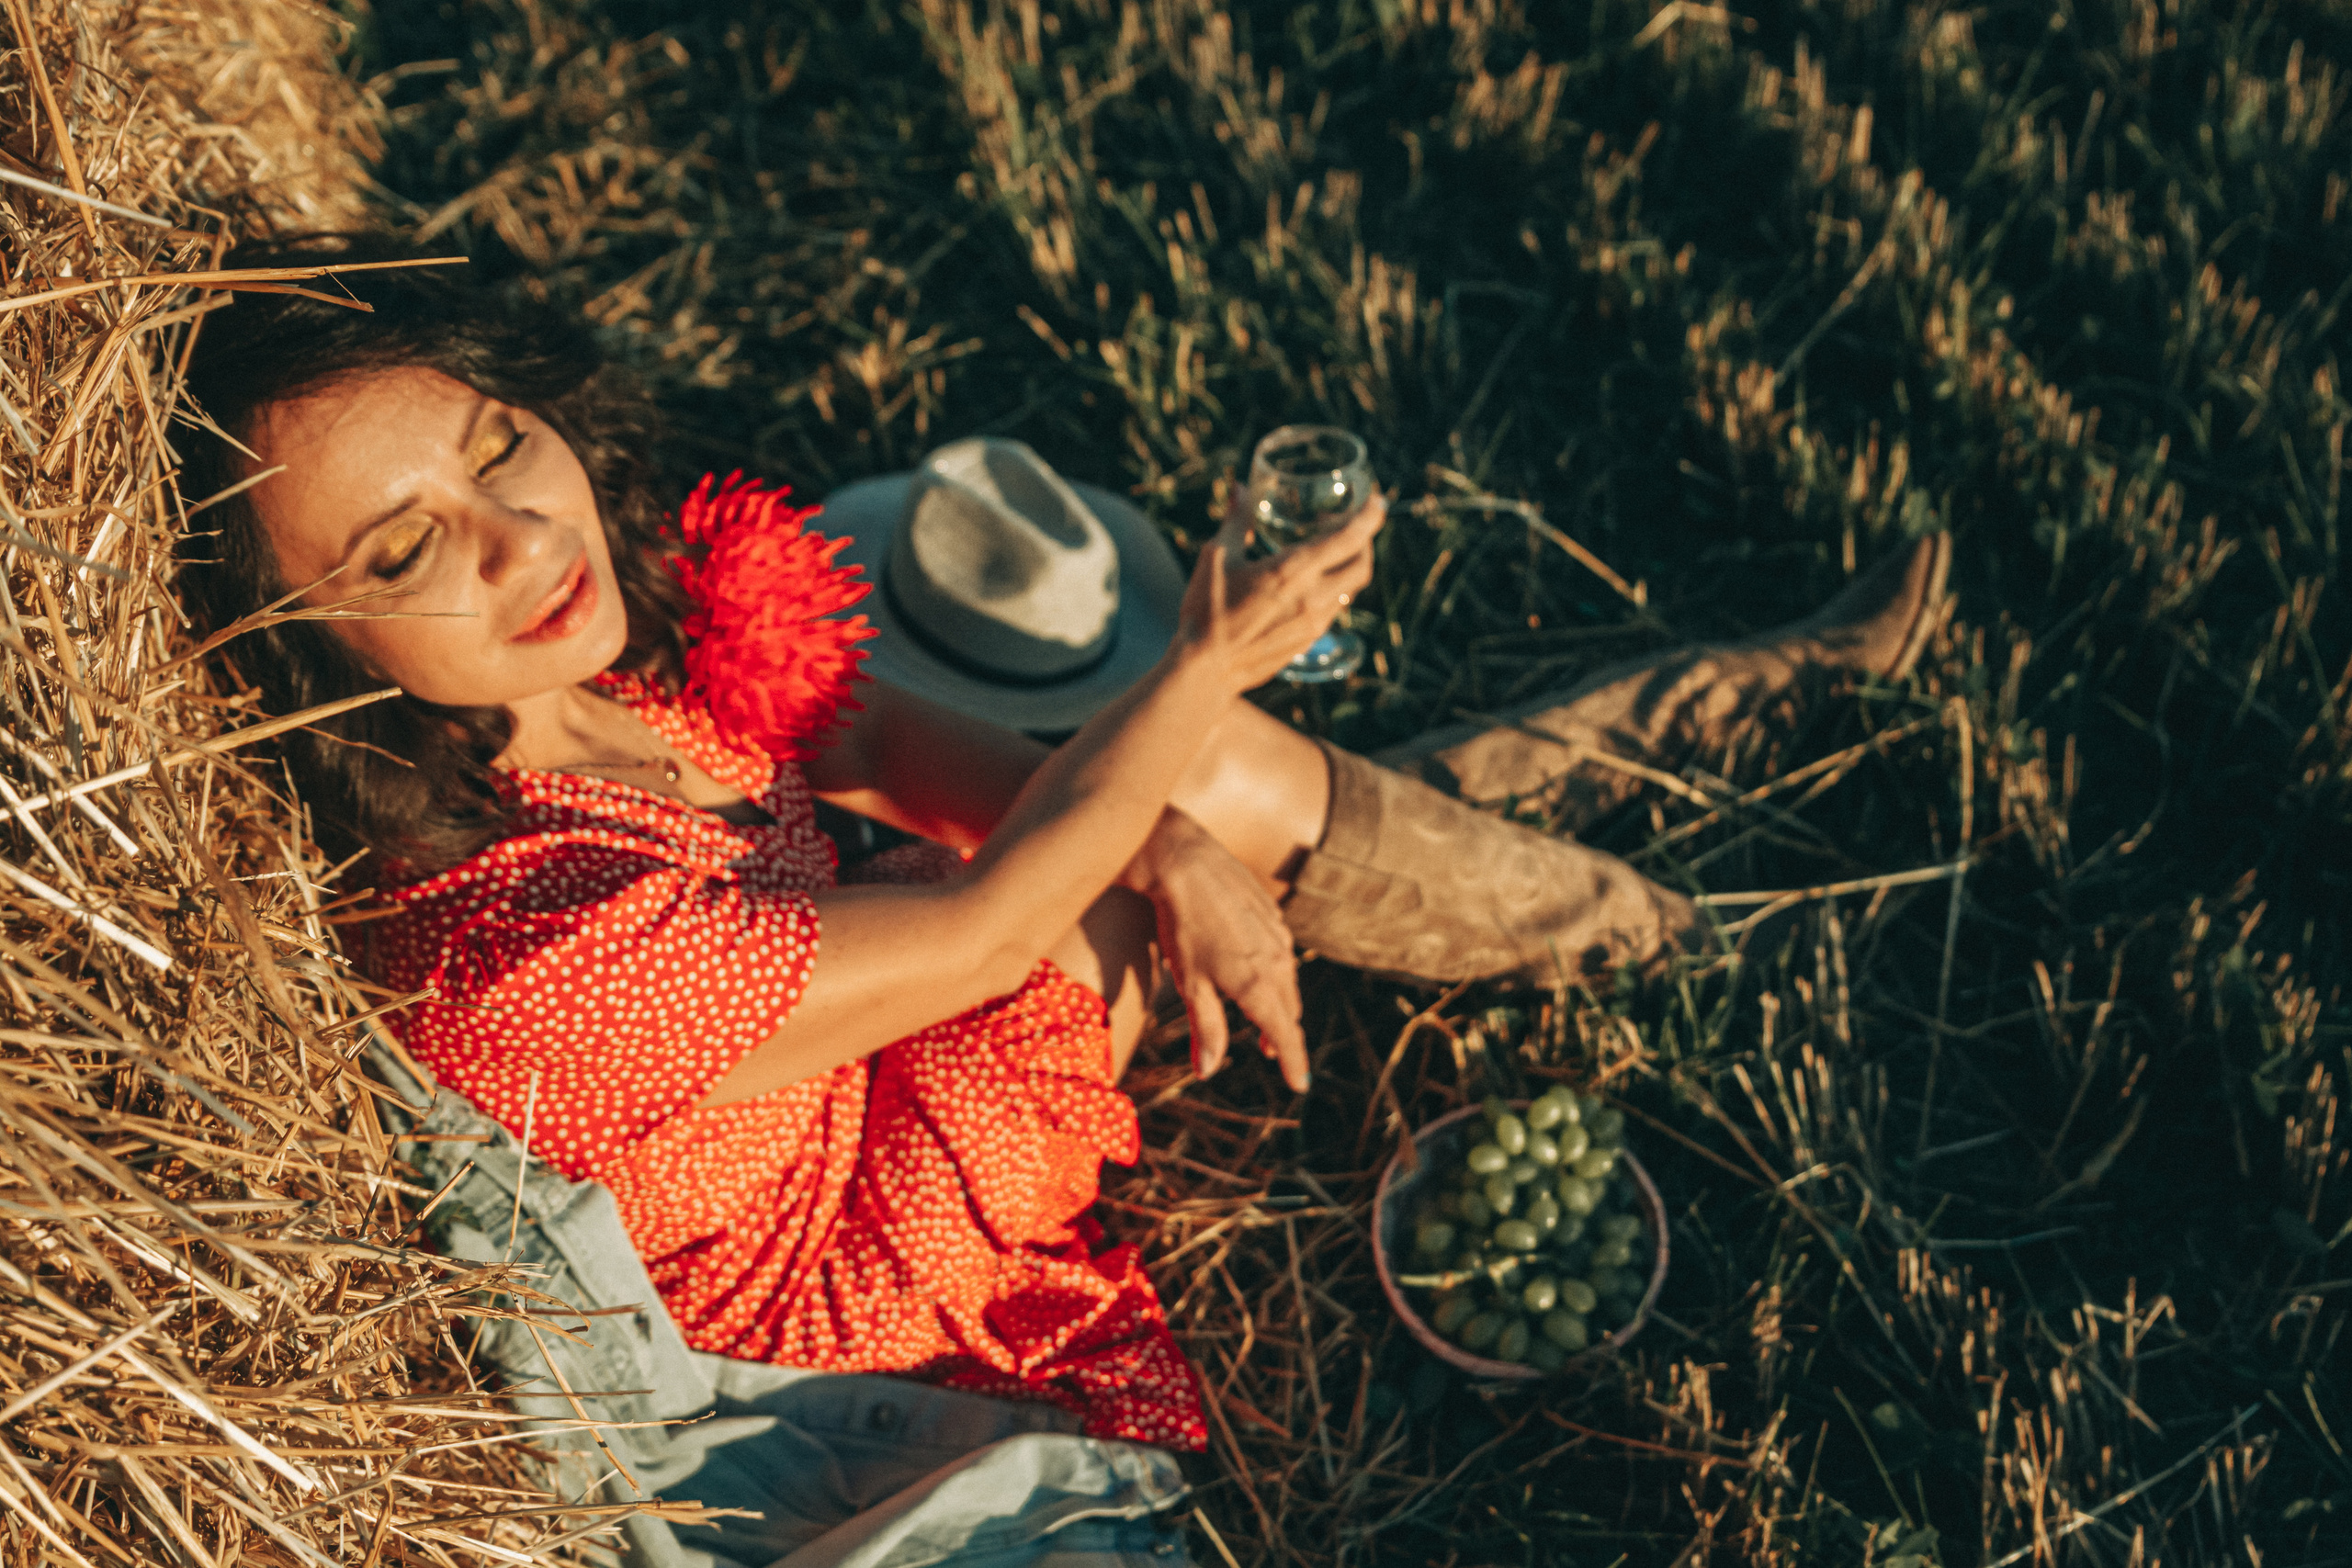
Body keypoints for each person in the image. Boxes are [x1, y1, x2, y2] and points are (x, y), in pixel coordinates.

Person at [176, 237, 1948, 1450]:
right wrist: (1192, 683)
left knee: (1206, 784)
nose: (518, 537)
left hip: (896, 993)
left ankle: (1673, 777)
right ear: (296, 649)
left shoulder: (611, 640)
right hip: (831, 1242)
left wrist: (1170, 823)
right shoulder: (519, 954)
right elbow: (988, 934)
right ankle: (1669, 920)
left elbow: (879, 737)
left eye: (499, 445)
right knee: (1164, 806)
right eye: (404, 552)